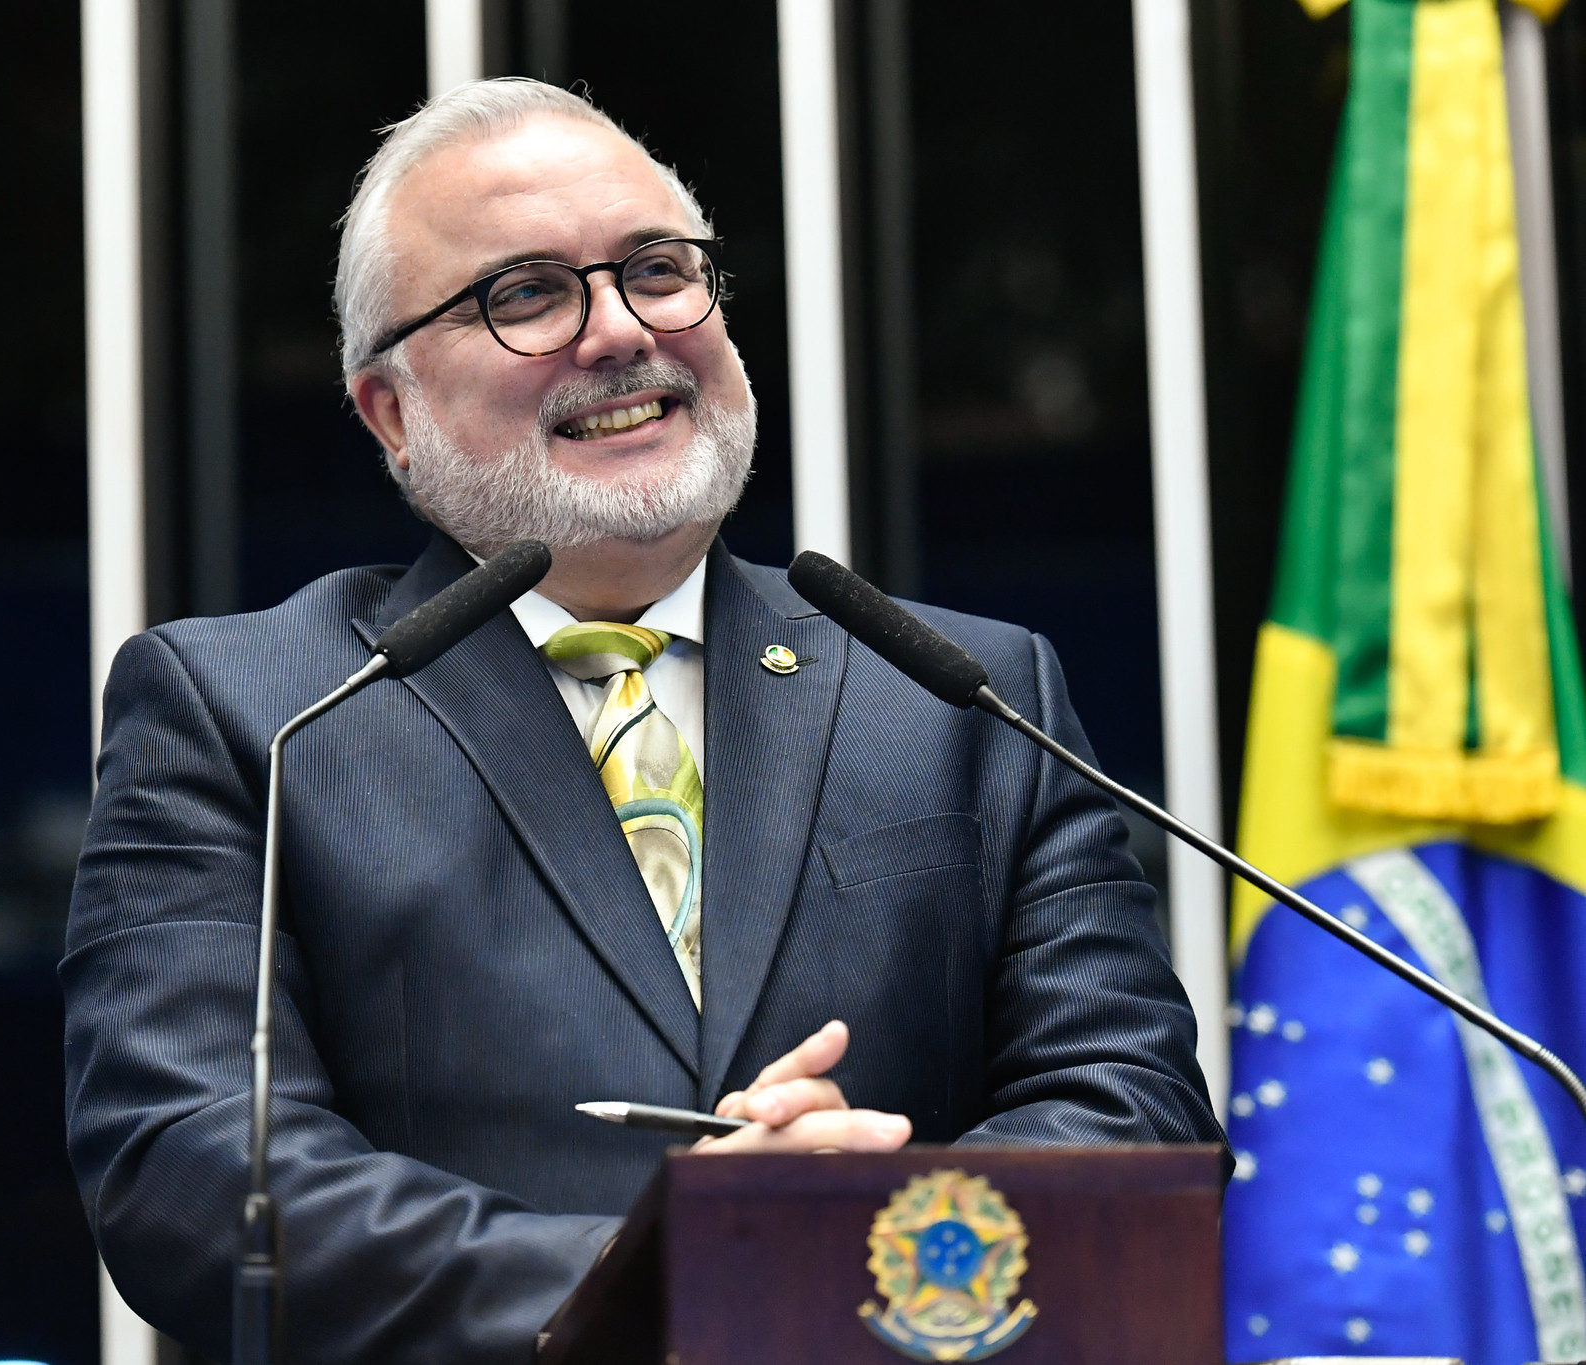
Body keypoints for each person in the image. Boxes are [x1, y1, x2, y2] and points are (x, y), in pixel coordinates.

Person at [63, 77, 1224, 1364]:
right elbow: (188, 1162)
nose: (618, 332)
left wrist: (868, 1245)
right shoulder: (257, 712)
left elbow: (1136, 1112)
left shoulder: (960, 689)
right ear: (389, 411)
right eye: (526, 295)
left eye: (658, 272)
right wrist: (666, 1272)